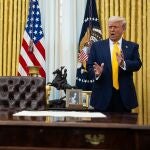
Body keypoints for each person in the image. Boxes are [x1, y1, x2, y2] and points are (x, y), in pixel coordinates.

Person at [87, 16, 142, 112]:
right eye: (110, 27)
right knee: (100, 127)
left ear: (123, 28)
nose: (112, 30)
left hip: (124, 97)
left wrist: (123, 63)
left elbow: (137, 64)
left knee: (124, 127)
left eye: (115, 27)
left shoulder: (132, 46)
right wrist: (97, 73)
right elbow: (89, 66)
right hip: (101, 97)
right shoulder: (97, 46)